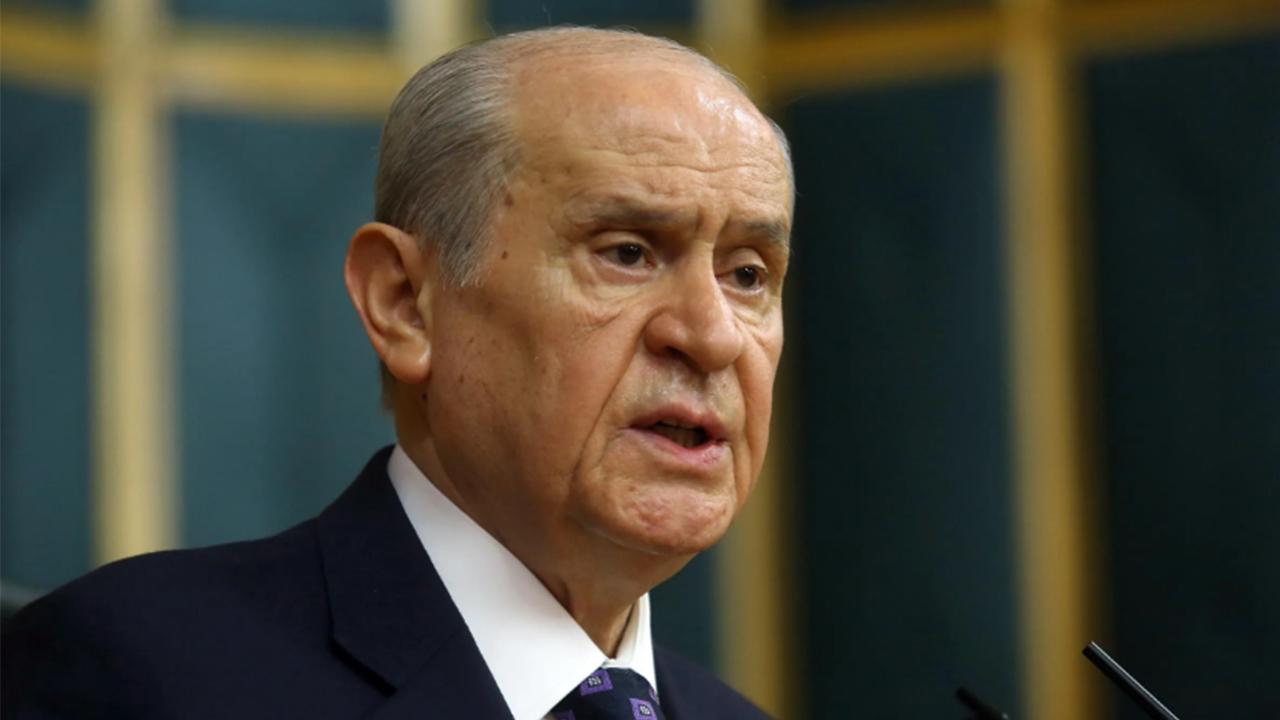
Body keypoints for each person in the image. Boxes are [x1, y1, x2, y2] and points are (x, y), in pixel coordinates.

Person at [2, 26, 792, 719]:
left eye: (749, 274)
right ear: (406, 303)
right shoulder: (142, 673)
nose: (713, 336)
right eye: (626, 253)